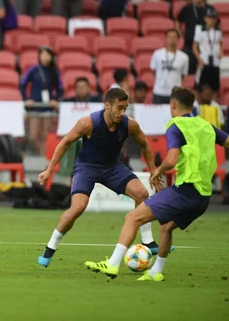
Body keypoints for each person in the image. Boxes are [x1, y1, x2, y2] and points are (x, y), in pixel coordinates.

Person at [85, 87, 229, 281]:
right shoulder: (206, 126)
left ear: (173, 105)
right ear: (192, 106)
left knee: (132, 218)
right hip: (204, 197)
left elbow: (172, 158)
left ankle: (112, 264)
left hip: (185, 191)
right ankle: (155, 272)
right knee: (166, 227)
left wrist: (157, 172)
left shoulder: (175, 125)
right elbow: (227, 141)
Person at [36, 88, 161, 268]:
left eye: (125, 108)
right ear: (107, 105)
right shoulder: (88, 123)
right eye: (119, 108)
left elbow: (145, 145)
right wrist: (49, 170)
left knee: (141, 194)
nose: (122, 113)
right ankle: (50, 247)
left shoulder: (129, 124)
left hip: (111, 167)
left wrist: (153, 171)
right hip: (87, 168)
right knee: (78, 207)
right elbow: (65, 142)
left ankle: (148, 241)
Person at [20, 47, 63, 155]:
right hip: (35, 106)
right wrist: (26, 99)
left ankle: (44, 160)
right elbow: (22, 85)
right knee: (33, 136)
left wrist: (55, 99)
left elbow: (60, 88)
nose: (45, 57)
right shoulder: (33, 69)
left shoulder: (54, 72)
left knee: (45, 135)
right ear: (39, 56)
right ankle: (40, 154)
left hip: (48, 107)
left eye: (48, 55)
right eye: (43, 54)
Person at [176, 0, 214, 74]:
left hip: (206, 46)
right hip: (189, 45)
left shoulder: (210, 9)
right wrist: (181, 33)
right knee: (188, 71)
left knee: (206, 72)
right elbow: (178, 22)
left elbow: (217, 25)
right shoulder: (186, 9)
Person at [150, 29, 190, 104]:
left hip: (175, 94)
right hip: (159, 92)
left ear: (178, 39)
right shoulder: (157, 54)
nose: (172, 40)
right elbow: (153, 71)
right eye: (169, 37)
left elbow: (183, 75)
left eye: (174, 37)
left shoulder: (184, 57)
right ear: (165, 39)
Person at [193, 7, 222, 94]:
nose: (211, 20)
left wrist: (221, 52)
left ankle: (214, 106)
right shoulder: (200, 30)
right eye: (209, 18)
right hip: (204, 61)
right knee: (200, 86)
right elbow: (194, 46)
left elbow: (220, 43)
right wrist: (199, 59)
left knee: (215, 88)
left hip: (215, 62)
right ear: (205, 18)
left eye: (213, 18)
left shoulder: (218, 31)